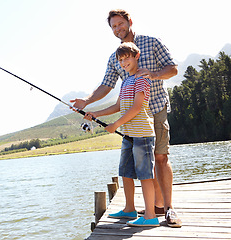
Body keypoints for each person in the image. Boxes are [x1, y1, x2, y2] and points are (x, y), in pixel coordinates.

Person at [71, 9, 182, 227]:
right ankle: (151, 207)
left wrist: (153, 74)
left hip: (156, 109)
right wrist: (86, 102)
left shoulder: (151, 42)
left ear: (129, 21)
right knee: (136, 165)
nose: (118, 29)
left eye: (120, 24)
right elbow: (106, 85)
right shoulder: (116, 57)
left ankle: (168, 209)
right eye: (113, 26)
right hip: (132, 121)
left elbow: (173, 68)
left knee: (160, 158)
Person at [85, 42, 158, 226]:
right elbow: (118, 106)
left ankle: (150, 216)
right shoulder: (125, 81)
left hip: (142, 135)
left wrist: (115, 124)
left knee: (145, 175)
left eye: (127, 58)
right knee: (125, 172)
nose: (124, 62)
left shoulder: (142, 78)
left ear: (136, 56)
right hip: (128, 136)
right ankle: (129, 209)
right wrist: (96, 114)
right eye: (121, 60)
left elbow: (137, 107)